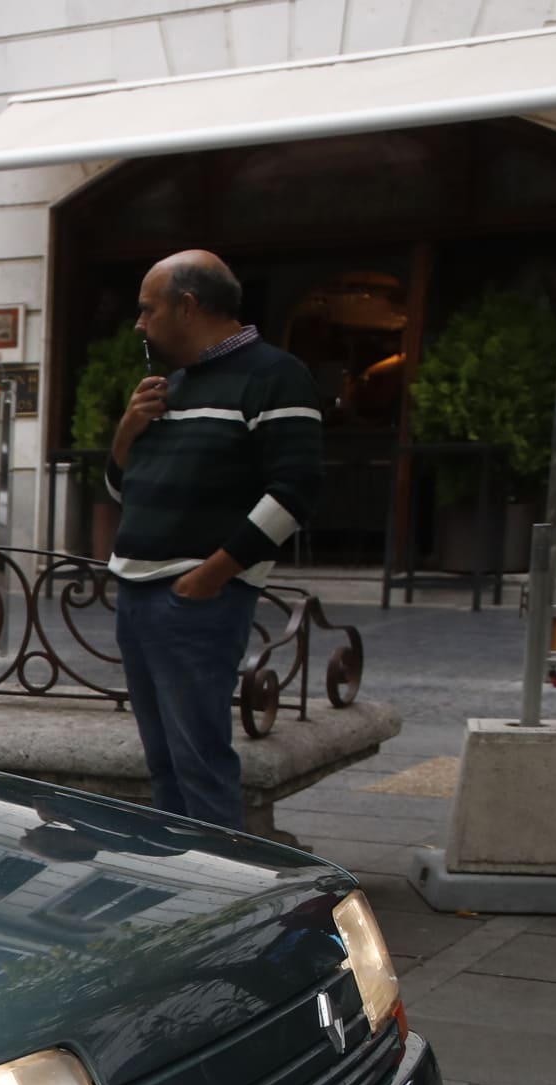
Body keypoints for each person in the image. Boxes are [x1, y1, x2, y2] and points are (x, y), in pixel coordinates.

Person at [104, 250, 323, 830]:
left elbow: (296, 492)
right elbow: (127, 489)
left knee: (200, 763)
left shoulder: (275, 375)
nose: (140, 324)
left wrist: (210, 577)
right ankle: (180, 885)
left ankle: (223, 896)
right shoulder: (169, 385)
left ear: (189, 306)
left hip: (195, 600)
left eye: (148, 310)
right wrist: (128, 431)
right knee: (165, 765)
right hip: (138, 592)